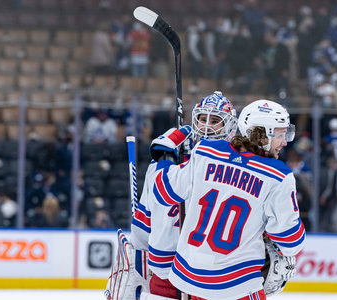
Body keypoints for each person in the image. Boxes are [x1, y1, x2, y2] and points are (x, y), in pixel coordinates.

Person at [150, 100, 305, 299]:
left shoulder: (205, 151)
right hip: (236, 285)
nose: (285, 142)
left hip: (188, 277)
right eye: (281, 135)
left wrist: (165, 157)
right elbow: (291, 241)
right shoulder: (278, 175)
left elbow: (164, 191)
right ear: (261, 134)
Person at [105, 91, 238, 300]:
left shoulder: (237, 170)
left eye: (215, 120)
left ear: (229, 125)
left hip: (213, 276)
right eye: (203, 119)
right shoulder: (168, 165)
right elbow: (142, 229)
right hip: (168, 275)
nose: (206, 126)